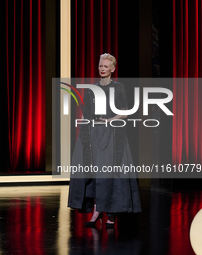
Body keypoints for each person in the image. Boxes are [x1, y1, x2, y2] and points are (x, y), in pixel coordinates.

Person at [68, 53, 141, 228]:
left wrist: (110, 120)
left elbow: (125, 111)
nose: (102, 69)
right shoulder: (92, 88)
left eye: (105, 66)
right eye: (100, 66)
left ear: (113, 69)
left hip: (113, 134)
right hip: (94, 133)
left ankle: (112, 214)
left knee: (111, 174)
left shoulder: (119, 87)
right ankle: (97, 210)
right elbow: (87, 114)